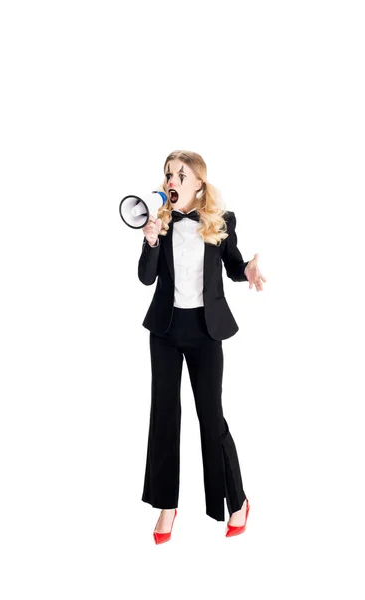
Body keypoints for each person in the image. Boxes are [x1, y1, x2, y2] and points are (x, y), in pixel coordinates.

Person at [138, 150, 266, 544]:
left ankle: (237, 499)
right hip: (165, 330)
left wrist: (247, 270)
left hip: (205, 332)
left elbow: (232, 264)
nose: (172, 179)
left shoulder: (220, 222)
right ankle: (166, 505)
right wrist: (151, 241)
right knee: (165, 416)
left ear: (198, 184)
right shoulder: (158, 222)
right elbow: (145, 278)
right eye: (168, 174)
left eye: (181, 173)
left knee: (212, 417)